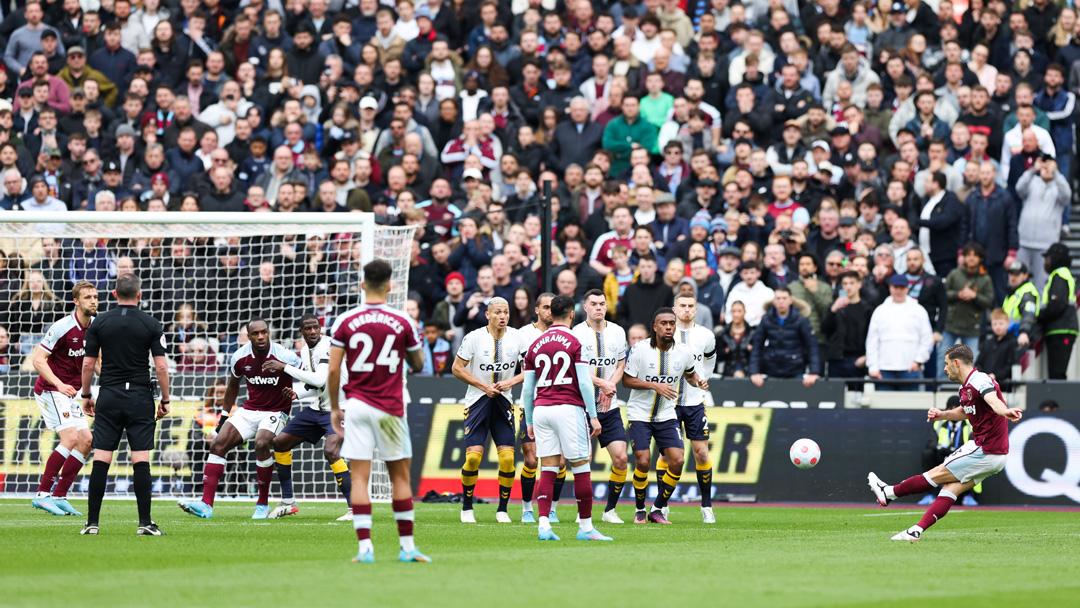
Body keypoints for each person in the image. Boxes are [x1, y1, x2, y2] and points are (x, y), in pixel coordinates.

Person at [327, 259, 429, 563]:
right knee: (399, 476)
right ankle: (407, 547)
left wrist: (335, 408)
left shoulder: (344, 321)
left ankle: (365, 548)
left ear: (362, 285)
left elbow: (333, 370)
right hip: (389, 408)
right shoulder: (402, 320)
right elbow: (419, 364)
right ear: (389, 286)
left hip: (356, 405)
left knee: (359, 478)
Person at [868, 344, 1022, 541]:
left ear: (957, 363)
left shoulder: (980, 380)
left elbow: (992, 399)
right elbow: (966, 411)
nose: (945, 368)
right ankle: (916, 530)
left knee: (936, 474)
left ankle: (889, 493)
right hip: (994, 454)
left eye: (947, 363)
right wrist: (942, 415)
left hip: (985, 449)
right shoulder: (965, 387)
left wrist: (1004, 411)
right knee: (950, 488)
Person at [178, 318, 303, 520]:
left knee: (261, 442)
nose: (260, 336)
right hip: (250, 409)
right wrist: (225, 416)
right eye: (255, 333)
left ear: (268, 332)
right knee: (218, 444)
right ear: (249, 336)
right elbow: (233, 386)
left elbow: (305, 374)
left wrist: (294, 386)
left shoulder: (285, 355)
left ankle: (262, 504)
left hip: (276, 411)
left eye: (264, 332)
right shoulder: (239, 357)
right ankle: (205, 504)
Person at [80, 274, 170, 535]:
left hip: (109, 394)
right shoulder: (151, 323)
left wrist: (86, 394)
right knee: (140, 458)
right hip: (140, 397)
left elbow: (87, 364)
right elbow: (161, 366)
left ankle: (92, 524)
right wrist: (164, 400)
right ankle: (144, 523)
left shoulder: (99, 323)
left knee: (101, 458)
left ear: (114, 294)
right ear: (139, 294)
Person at [521, 294, 612, 542]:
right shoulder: (575, 341)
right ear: (572, 314)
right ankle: (585, 527)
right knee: (581, 467)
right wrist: (593, 417)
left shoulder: (536, 344)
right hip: (567, 408)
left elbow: (528, 389)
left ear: (551, 314)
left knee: (548, 468)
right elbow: (584, 382)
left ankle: (543, 525)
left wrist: (529, 420)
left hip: (541, 410)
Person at [622, 307, 708, 524]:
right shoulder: (640, 349)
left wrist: (698, 381)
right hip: (640, 414)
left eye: (672, 323)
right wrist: (655, 386)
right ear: (655, 326)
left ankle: (657, 508)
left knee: (678, 461)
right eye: (664, 323)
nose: (669, 327)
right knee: (642, 462)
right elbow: (626, 380)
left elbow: (689, 374)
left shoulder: (684, 351)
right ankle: (640, 510)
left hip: (667, 414)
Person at [264, 314, 352, 521]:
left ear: (321, 328)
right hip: (317, 409)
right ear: (301, 332)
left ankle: (354, 509)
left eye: (315, 327)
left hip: (340, 409)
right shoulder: (305, 351)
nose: (312, 331)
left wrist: (284, 366)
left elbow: (321, 377)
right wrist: (298, 394)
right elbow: (315, 386)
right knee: (280, 443)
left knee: (331, 451)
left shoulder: (330, 345)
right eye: (308, 328)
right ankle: (288, 501)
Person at [451, 296, 526, 524]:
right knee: (473, 458)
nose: (502, 316)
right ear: (487, 315)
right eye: (497, 312)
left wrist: (509, 383)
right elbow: (457, 367)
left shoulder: (518, 338)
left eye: (505, 312)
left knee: (507, 460)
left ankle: (502, 509)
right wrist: (484, 386)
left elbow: (530, 370)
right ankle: (466, 507)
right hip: (477, 402)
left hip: (503, 402)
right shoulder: (474, 338)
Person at [29, 282, 98, 517]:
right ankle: (42, 494)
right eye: (87, 297)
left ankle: (60, 495)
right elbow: (38, 360)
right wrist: (59, 384)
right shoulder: (62, 327)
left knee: (86, 440)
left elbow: (95, 361)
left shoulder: (96, 327)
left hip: (71, 392)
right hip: (51, 389)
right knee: (70, 438)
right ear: (76, 301)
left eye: (95, 296)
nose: (93, 300)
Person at [573, 290, 628, 524]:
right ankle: (581, 512)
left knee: (621, 458)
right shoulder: (576, 333)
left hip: (610, 407)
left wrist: (610, 386)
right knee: (584, 460)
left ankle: (610, 511)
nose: (599, 308)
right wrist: (602, 383)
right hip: (582, 407)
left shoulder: (617, 331)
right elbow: (577, 370)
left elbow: (621, 364)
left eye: (602, 304)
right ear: (585, 308)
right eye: (594, 304)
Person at [662, 292, 718, 523]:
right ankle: (662, 506)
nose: (686, 309)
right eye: (682, 305)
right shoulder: (664, 333)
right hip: (668, 404)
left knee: (701, 452)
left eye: (690, 306)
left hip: (695, 403)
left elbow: (709, 363)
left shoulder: (706, 335)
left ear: (696, 310)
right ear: (674, 309)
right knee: (668, 456)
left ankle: (706, 506)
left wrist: (702, 382)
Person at [514, 292, 560, 522]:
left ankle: (551, 508)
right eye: (545, 307)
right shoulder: (523, 334)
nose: (549, 312)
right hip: (530, 404)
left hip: (557, 403)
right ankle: (526, 508)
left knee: (558, 462)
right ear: (537, 310)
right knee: (531, 459)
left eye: (553, 308)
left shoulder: (563, 333)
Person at [866, 275, 934, 391]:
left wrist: (919, 361)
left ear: (907, 288)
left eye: (902, 287)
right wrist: (873, 366)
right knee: (882, 408)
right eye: (895, 287)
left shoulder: (918, 310)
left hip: (910, 370)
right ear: (890, 288)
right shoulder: (880, 311)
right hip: (884, 370)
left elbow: (927, 339)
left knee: (909, 407)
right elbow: (872, 341)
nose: (898, 290)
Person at [938, 243, 993, 377]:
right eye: (968, 255)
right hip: (951, 323)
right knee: (943, 356)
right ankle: (939, 386)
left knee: (970, 360)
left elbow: (989, 301)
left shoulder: (985, 279)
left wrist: (975, 296)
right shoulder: (954, 274)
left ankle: (968, 387)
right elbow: (943, 295)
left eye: (975, 255)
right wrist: (958, 294)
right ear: (964, 257)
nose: (971, 258)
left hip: (972, 326)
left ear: (980, 258)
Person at [749, 287, 822, 387]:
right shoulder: (766, 320)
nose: (781, 302)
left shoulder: (801, 320)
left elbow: (812, 346)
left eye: (784, 298)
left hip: (795, 370)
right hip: (771, 369)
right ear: (774, 301)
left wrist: (814, 372)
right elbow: (757, 345)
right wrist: (754, 372)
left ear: (790, 300)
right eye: (778, 298)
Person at [1037, 243, 1078, 380]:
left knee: (1057, 374)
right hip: (1060, 330)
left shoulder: (1059, 275)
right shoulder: (1061, 275)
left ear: (1056, 258)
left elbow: (1057, 304)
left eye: (1047, 258)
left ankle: (1061, 402)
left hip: (1061, 330)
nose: (1045, 262)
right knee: (1056, 374)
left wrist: (1039, 316)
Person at [1002, 262, 1038, 348]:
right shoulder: (1013, 291)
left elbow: (1028, 314)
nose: (1013, 278)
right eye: (1011, 274)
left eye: (1017, 274)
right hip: (1009, 335)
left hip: (1018, 337)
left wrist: (1024, 332)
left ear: (1025, 276)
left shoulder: (1027, 292)